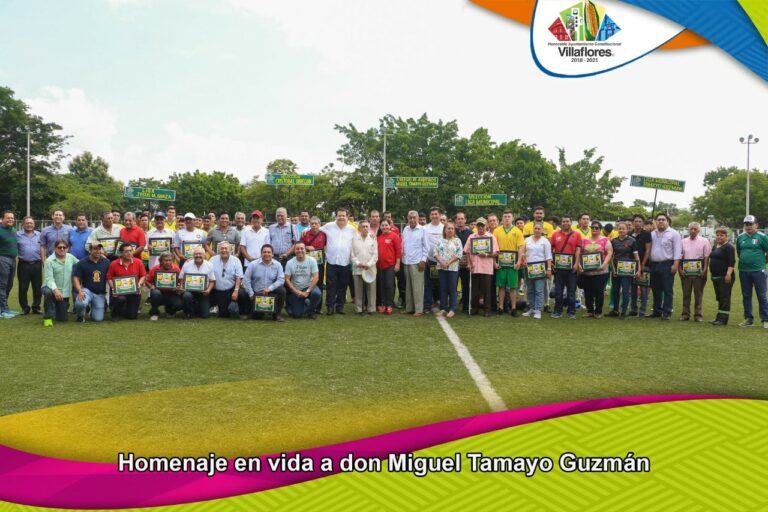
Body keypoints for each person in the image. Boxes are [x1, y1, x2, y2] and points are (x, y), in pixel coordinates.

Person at [321, 208, 356, 315]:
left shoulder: (352, 229)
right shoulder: (329, 226)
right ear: (336, 216)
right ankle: (330, 307)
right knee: (331, 286)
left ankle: (340, 306)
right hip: (331, 261)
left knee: (343, 286)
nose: (341, 217)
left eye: (343, 215)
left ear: (347, 216)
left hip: (345, 262)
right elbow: (317, 229)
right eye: (339, 215)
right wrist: (305, 232)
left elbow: (360, 238)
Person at [736, 215, 768, 328]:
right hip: (743, 271)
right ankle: (748, 319)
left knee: (762, 295)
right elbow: (739, 252)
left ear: (756, 225)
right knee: (746, 295)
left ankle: (765, 319)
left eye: (750, 224)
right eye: (746, 224)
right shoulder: (740, 237)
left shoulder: (763, 237)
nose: (748, 226)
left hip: (758, 270)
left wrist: (763, 263)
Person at [648, 213, 682, 320]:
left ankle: (667, 311)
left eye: (663, 219)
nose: (661, 221)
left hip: (667, 264)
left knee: (667, 289)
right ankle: (657, 310)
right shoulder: (652, 234)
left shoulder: (674, 233)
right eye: (659, 219)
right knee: (655, 289)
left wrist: (676, 264)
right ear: (655, 221)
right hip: (653, 265)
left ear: (667, 221)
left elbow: (678, 250)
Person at [464, 217, 499, 317]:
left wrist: (487, 255)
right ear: (476, 226)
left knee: (487, 290)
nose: (480, 228)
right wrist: (469, 263)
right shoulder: (471, 237)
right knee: (475, 290)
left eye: (482, 225)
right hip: (475, 267)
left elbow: (496, 253)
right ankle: (475, 308)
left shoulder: (491, 237)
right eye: (479, 225)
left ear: (486, 226)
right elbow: (467, 252)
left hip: (487, 268)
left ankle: (487, 310)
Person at [493, 210, 525, 317]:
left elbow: (521, 248)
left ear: (512, 218)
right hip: (501, 263)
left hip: (513, 264)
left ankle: (513, 308)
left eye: (509, 216)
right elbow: (494, 248)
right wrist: (494, 262)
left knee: (513, 287)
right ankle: (501, 307)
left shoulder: (517, 231)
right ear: (502, 218)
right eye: (505, 216)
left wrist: (519, 261)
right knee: (501, 286)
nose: (507, 218)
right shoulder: (497, 231)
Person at [549, 214, 582, 319]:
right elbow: (550, 249)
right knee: (558, 290)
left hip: (572, 268)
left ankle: (571, 312)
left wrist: (577, 263)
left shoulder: (577, 234)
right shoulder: (555, 234)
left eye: (567, 221)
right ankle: (557, 311)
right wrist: (551, 262)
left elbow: (578, 250)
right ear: (561, 223)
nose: (565, 223)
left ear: (571, 222)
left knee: (571, 291)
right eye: (563, 221)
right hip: (559, 268)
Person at [578, 221, 613, 318]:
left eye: (597, 228)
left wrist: (605, 264)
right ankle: (590, 311)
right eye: (592, 227)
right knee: (587, 291)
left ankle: (598, 311)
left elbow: (609, 252)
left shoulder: (605, 240)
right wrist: (580, 265)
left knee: (599, 291)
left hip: (601, 271)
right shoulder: (584, 240)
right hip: (587, 272)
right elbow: (579, 254)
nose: (594, 229)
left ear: (600, 229)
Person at [243, 244, 286, 321]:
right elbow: (246, 280)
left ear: (272, 254)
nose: (266, 254)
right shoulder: (253, 264)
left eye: (269, 252)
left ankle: (276, 315)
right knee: (257, 317)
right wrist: (251, 294)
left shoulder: (278, 265)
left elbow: (281, 279)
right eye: (264, 252)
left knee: (281, 290)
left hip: (271, 293)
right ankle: (252, 312)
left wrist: (270, 288)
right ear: (261, 253)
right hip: (256, 294)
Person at [678, 222, 711, 322]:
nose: (693, 231)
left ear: (698, 230)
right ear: (688, 230)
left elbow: (706, 257)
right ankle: (685, 314)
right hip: (686, 272)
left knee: (698, 294)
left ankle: (698, 315)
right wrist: (680, 270)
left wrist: (705, 270)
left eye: (695, 229)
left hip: (699, 272)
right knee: (686, 294)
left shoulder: (704, 241)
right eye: (691, 229)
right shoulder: (682, 241)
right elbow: (679, 257)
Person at [607, 221, 640, 320]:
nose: (621, 230)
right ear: (617, 229)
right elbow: (611, 257)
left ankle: (624, 312)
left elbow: (636, 256)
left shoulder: (632, 241)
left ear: (627, 230)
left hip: (627, 271)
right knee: (615, 291)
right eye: (619, 228)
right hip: (616, 271)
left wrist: (638, 269)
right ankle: (615, 310)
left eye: (623, 228)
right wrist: (613, 269)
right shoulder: (613, 241)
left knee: (625, 291)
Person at [41, 240, 79, 326]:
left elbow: (81, 264)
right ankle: (47, 317)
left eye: (64, 247)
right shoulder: (49, 261)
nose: (62, 249)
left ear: (67, 249)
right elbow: (49, 279)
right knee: (48, 292)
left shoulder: (71, 257)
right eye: (59, 247)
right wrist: (56, 290)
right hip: (49, 287)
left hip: (63, 292)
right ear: (55, 248)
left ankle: (55, 307)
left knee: (63, 319)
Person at [107, 242, 146, 321]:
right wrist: (113, 288)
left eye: (130, 251)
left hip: (133, 292)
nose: (129, 253)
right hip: (119, 293)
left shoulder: (138, 262)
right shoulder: (114, 264)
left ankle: (124, 310)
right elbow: (109, 278)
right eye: (126, 251)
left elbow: (143, 275)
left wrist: (139, 284)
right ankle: (115, 313)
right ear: (121, 253)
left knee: (132, 316)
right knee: (121, 299)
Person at [521, 222, 552, 319]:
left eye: (539, 229)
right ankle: (531, 308)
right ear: (532, 229)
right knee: (530, 289)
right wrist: (524, 260)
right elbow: (522, 252)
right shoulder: (527, 240)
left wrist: (549, 268)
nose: (537, 230)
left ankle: (538, 310)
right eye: (535, 228)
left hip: (540, 268)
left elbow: (548, 256)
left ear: (542, 230)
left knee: (539, 289)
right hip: (529, 268)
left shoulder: (545, 241)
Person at [72, 242, 110, 322]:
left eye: (99, 249)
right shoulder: (82, 262)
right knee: (80, 303)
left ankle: (91, 312)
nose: (98, 251)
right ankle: (80, 316)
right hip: (87, 291)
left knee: (98, 319)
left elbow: (110, 276)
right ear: (89, 250)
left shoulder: (106, 262)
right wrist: (79, 291)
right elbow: (75, 278)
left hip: (100, 293)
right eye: (95, 249)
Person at [210, 241, 249, 318]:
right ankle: (226, 308)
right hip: (218, 291)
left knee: (242, 293)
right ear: (218, 250)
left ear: (230, 250)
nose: (224, 250)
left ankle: (242, 312)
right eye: (222, 248)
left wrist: (236, 290)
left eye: (226, 248)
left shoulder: (236, 260)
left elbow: (239, 277)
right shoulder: (212, 260)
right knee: (224, 314)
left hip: (231, 289)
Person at [401, 210, 429, 316]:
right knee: (408, 287)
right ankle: (409, 308)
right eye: (410, 217)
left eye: (414, 217)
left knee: (417, 287)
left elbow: (426, 246)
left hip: (418, 262)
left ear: (417, 219)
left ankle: (418, 310)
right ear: (408, 219)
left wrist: (423, 260)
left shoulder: (423, 230)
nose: (412, 219)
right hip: (407, 261)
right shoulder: (405, 229)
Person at [284, 242, 321, 319]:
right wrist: (295, 291)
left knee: (317, 294)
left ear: (305, 250)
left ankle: (311, 311)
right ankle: (302, 304)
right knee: (296, 315)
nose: (300, 250)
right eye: (297, 248)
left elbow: (316, 277)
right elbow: (287, 279)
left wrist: (307, 291)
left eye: (302, 248)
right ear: (294, 250)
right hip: (296, 289)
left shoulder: (312, 260)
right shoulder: (289, 263)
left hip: (309, 287)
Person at [434, 221, 463, 318]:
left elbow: (459, 254)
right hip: (441, 268)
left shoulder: (457, 241)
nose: (450, 230)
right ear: (445, 230)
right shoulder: (440, 240)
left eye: (452, 228)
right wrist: (441, 262)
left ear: (454, 230)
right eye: (448, 228)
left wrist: (449, 262)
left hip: (453, 268)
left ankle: (452, 309)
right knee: (443, 288)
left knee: (452, 288)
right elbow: (435, 253)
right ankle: (443, 308)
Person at [178, 247, 216, 319]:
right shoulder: (187, 264)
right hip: (189, 291)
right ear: (193, 255)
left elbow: (212, 281)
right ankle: (188, 312)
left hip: (203, 292)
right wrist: (182, 287)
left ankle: (196, 308)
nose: (198, 255)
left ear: (204, 255)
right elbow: (181, 278)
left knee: (205, 315)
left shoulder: (209, 265)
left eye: (200, 254)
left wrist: (208, 290)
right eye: (196, 254)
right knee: (186, 296)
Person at [16, 216, 42, 315]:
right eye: (27, 223)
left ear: (34, 224)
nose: (29, 225)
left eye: (31, 223)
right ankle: (25, 308)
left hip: (37, 264)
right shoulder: (17, 235)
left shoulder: (39, 235)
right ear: (23, 224)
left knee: (37, 287)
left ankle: (36, 307)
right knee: (23, 287)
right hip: (23, 265)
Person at [709, 227, 735, 326]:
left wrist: (728, 274)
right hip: (715, 277)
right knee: (719, 297)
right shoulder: (715, 246)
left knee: (724, 298)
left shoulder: (729, 247)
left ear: (726, 237)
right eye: (718, 235)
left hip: (725, 277)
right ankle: (718, 317)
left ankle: (723, 319)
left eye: (722, 235)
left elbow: (731, 262)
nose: (719, 237)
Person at [351, 220, 378, 315]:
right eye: (363, 226)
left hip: (370, 269)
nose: (365, 228)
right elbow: (352, 254)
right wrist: (358, 263)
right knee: (358, 290)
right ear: (359, 228)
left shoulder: (373, 239)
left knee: (371, 290)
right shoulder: (354, 239)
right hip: (358, 268)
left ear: (369, 228)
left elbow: (375, 254)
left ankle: (371, 309)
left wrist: (369, 264)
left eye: (367, 226)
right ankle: (359, 309)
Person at [300, 216, 327, 313]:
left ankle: (318, 308)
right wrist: (307, 247)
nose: (314, 225)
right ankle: (306, 302)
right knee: (307, 282)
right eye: (312, 224)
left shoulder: (324, 234)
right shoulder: (305, 234)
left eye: (316, 223)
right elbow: (299, 246)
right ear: (309, 224)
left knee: (319, 283)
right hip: (307, 263)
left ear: (320, 224)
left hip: (319, 263)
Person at [146, 253, 183, 320]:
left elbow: (180, 282)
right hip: (159, 293)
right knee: (155, 292)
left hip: (172, 293)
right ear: (161, 261)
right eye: (165, 260)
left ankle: (170, 311)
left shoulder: (176, 269)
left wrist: (178, 287)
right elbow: (147, 281)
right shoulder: (155, 268)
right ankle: (154, 313)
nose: (168, 262)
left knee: (179, 304)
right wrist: (151, 286)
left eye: (170, 260)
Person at [376, 220, 401, 315]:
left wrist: (397, 264)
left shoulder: (394, 236)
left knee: (389, 285)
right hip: (380, 266)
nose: (384, 227)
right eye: (382, 225)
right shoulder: (378, 238)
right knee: (381, 286)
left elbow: (398, 251)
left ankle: (390, 305)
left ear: (389, 226)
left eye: (386, 225)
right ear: (380, 226)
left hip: (390, 265)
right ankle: (383, 304)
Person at [629, 214, 652, 317]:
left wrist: (642, 264)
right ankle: (633, 309)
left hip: (644, 265)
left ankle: (642, 310)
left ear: (642, 223)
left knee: (643, 289)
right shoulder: (629, 234)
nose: (637, 223)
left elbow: (648, 250)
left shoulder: (646, 234)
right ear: (633, 223)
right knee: (632, 288)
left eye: (640, 221)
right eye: (636, 221)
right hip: (631, 265)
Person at [423, 207, 444, 313]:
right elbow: (422, 243)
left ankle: (442, 303)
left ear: (440, 215)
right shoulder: (425, 228)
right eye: (432, 214)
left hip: (441, 261)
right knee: (428, 284)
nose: (434, 216)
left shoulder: (444, 228)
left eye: (436, 214)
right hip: (429, 260)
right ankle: (427, 305)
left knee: (441, 283)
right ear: (429, 216)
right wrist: (424, 257)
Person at [0, 211, 19, 318]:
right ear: (2, 219)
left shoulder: (14, 230)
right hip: (2, 259)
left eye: (12, 218)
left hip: (13, 260)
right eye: (8, 218)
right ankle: (3, 310)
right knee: (2, 285)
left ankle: (4, 307)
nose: (10, 220)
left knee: (9, 284)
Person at [455, 212, 472, 313]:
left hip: (466, 262)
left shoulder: (470, 233)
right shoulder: (453, 231)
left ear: (465, 220)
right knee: (453, 285)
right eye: (458, 219)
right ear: (456, 220)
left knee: (466, 285)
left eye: (462, 218)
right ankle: (453, 305)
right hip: (454, 262)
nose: (460, 220)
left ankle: (466, 306)